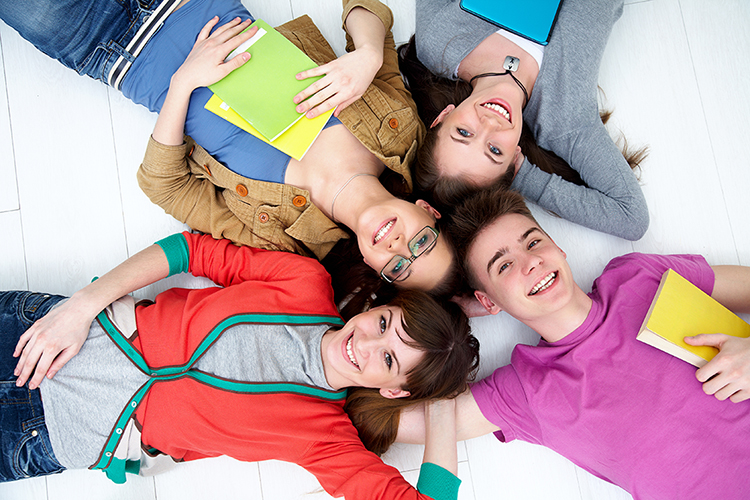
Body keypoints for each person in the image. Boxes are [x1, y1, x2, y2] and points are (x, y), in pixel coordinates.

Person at [0, 0, 458, 298]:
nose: (399, 245)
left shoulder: (284, 242)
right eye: (421, 241)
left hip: (112, 47)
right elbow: (367, 7)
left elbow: (167, 187)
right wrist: (369, 55)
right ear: (428, 211)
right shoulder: (398, 133)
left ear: (378, 271)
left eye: (399, 266)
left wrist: (183, 85)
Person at [2, 231, 480, 500]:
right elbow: (190, 250)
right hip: (53, 333)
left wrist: (441, 401)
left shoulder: (327, 441)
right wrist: (82, 305)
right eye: (384, 324)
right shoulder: (304, 283)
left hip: (47, 431)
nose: (367, 342)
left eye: (390, 359)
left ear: (394, 390)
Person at [370, 189, 750, 499]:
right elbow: (391, 417)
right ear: (488, 302)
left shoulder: (636, 277)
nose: (530, 262)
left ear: (559, 248)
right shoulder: (527, 391)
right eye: (503, 266)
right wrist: (444, 323)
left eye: (533, 242)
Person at [399, 0, 649, 241]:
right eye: (495, 150)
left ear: (444, 116)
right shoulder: (565, 122)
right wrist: (528, 179)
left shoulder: (438, 43)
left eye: (464, 132)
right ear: (514, 158)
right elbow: (631, 217)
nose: (490, 124)